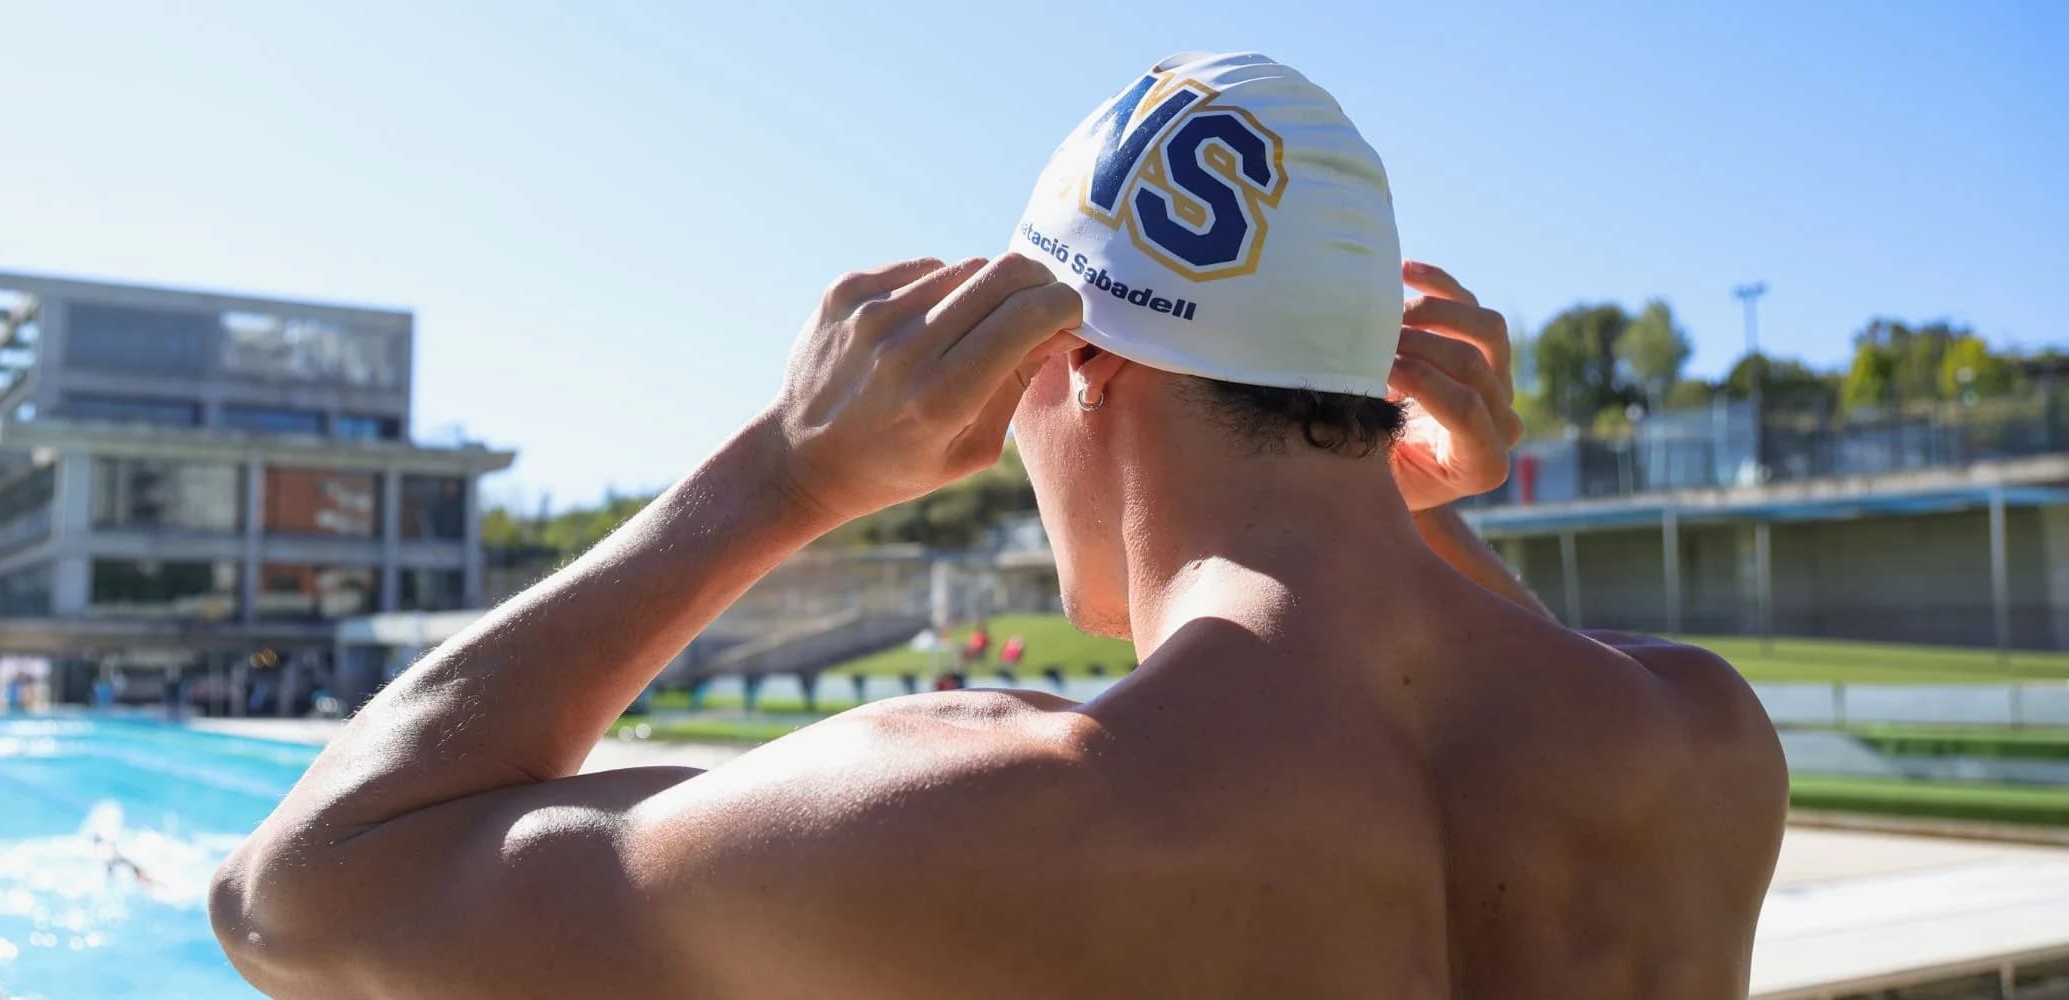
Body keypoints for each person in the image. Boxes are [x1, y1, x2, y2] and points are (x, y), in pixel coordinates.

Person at [212, 52, 1784, 998]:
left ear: (1074, 369)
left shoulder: (966, 814)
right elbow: (1457, 713)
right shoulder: (1703, 744)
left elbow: (297, 896)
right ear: (1369, 388)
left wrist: (786, 475)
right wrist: (1414, 519)